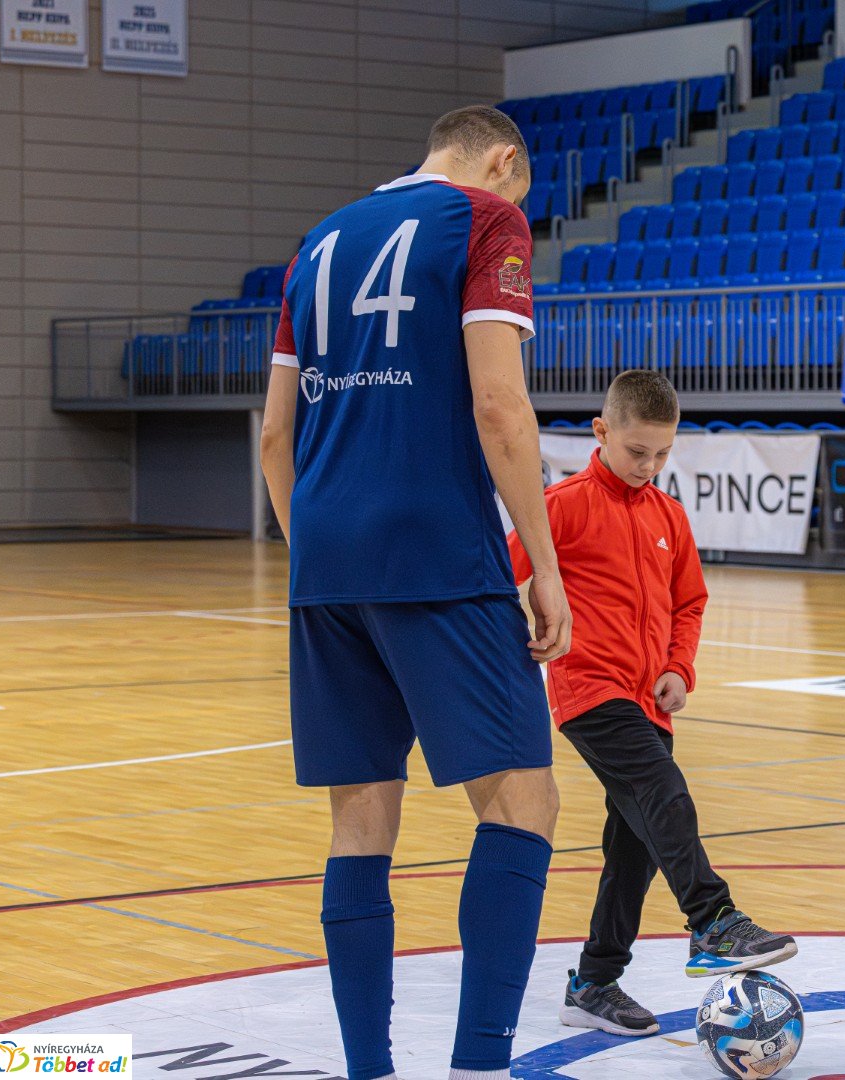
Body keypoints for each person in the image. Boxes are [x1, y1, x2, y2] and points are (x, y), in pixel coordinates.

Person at [258, 106, 570, 1080]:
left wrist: (318, 552)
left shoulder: (318, 242)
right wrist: (545, 565)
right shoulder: (487, 219)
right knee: (522, 802)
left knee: (360, 821)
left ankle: (369, 1070)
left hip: (325, 561)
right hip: (438, 550)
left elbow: (274, 436)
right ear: (503, 162)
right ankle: (479, 1067)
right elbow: (498, 403)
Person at [513, 371, 798, 1038]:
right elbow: (505, 572)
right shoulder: (561, 506)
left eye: (663, 453)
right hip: (588, 691)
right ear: (601, 431)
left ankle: (593, 982)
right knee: (664, 792)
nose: (650, 466)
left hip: (651, 701)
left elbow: (689, 603)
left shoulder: (670, 515)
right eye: (637, 452)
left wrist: (679, 667)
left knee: (635, 848)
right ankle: (713, 920)